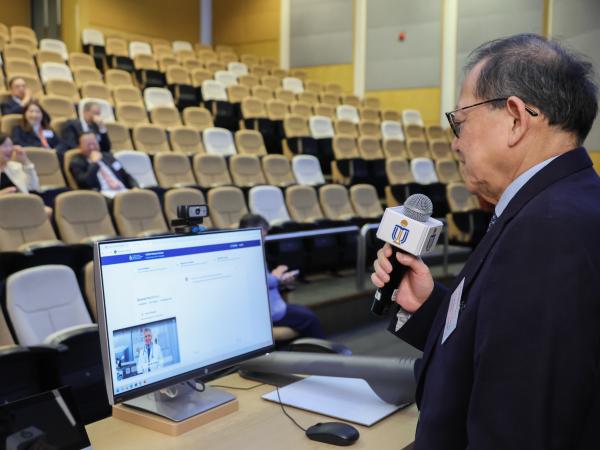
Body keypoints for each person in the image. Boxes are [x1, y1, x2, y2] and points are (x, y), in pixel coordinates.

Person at [372, 34, 600, 449]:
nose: (456, 141)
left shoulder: (548, 230)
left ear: (515, 118)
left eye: (460, 120)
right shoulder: (560, 203)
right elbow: (502, 353)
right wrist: (427, 306)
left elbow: (517, 426)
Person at [239, 213, 326, 339]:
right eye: (265, 234)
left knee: (305, 312)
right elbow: (260, 283)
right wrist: (277, 275)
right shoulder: (249, 253)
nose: (265, 238)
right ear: (261, 231)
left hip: (271, 306)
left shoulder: (246, 249)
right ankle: (325, 355)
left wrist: (279, 279)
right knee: (310, 319)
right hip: (268, 312)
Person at [69, 132, 136, 196]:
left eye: (94, 143)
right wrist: (95, 163)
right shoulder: (76, 162)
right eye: (88, 145)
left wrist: (135, 187)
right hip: (101, 196)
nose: (92, 147)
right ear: (80, 147)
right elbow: (85, 183)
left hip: (123, 191)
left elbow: (125, 175)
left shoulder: (108, 157)